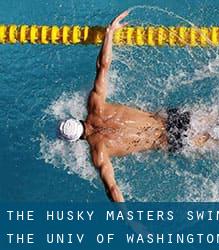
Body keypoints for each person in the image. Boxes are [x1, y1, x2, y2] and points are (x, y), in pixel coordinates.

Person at [58, 11, 210, 202]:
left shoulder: (99, 152)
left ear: (76, 140)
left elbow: (112, 189)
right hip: (172, 118)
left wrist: (131, 222)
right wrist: (109, 33)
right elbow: (103, 66)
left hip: (171, 140)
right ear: (76, 119)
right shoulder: (95, 105)